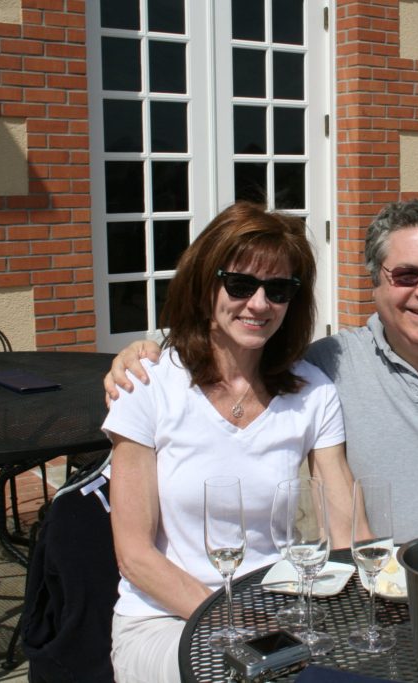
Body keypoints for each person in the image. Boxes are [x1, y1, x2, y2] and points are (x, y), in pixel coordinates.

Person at [106, 199, 418, 566]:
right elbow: (240, 343)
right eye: (406, 275)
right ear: (376, 283)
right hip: (393, 590)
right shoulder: (329, 366)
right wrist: (147, 351)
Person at [102, 202, 354, 683]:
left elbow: (343, 523)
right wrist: (240, 622)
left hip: (278, 610)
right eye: (240, 284)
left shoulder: (313, 391)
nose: (259, 304)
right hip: (165, 618)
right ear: (205, 285)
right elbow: (134, 555)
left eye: (277, 289)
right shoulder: (149, 383)